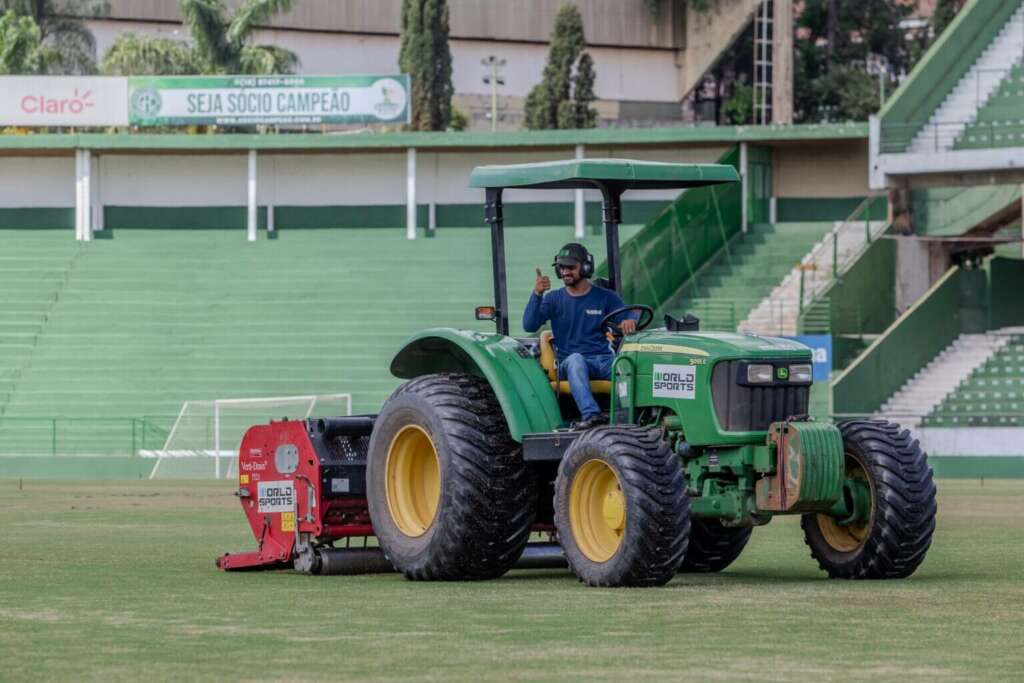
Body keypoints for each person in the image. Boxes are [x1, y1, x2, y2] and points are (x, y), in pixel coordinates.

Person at [523, 242, 637, 430]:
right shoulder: (553, 299)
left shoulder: (606, 297)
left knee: (627, 365)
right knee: (576, 360)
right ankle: (592, 416)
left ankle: (629, 419)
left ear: (585, 267)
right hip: (570, 362)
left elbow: (629, 314)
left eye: (570, 267)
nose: (565, 271)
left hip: (604, 360)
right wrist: (537, 294)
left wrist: (629, 321)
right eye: (562, 267)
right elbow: (529, 325)